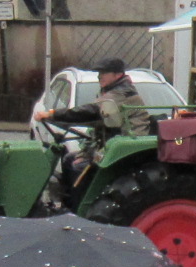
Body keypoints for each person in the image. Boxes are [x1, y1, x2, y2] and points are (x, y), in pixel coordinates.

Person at [37, 59, 156, 190]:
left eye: (104, 72)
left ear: (117, 74)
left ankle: (79, 206)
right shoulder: (107, 92)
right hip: (113, 143)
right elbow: (97, 127)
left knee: (80, 167)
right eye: (99, 72)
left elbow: (92, 111)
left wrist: (54, 114)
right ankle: (67, 200)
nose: (99, 76)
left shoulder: (122, 93)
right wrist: (85, 153)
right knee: (70, 158)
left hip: (127, 145)